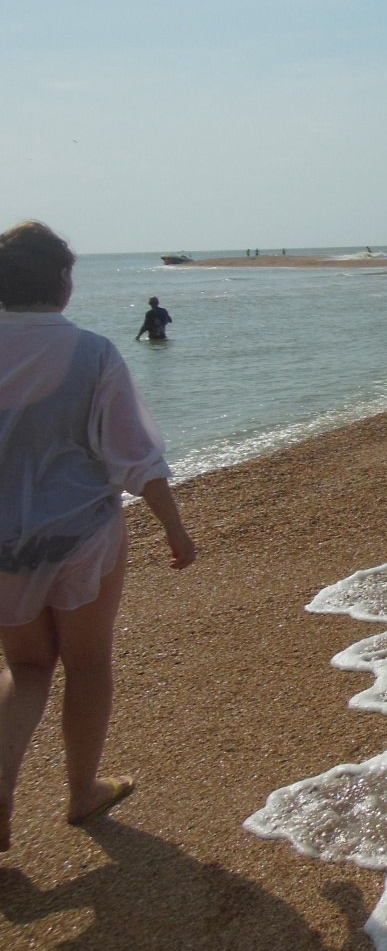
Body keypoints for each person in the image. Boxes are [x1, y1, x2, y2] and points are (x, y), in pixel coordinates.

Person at [0, 220, 198, 851]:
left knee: (27, 666)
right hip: (82, 534)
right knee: (86, 664)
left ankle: (0, 785)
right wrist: (174, 526)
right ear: (62, 283)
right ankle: (82, 791)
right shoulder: (91, 353)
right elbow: (134, 456)